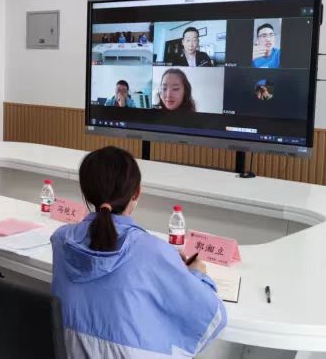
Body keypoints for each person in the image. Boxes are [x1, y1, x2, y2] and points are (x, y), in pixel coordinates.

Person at [51, 146, 226, 358]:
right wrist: (198, 274)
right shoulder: (154, 251)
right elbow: (213, 317)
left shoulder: (61, 240)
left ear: (86, 192)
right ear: (136, 192)